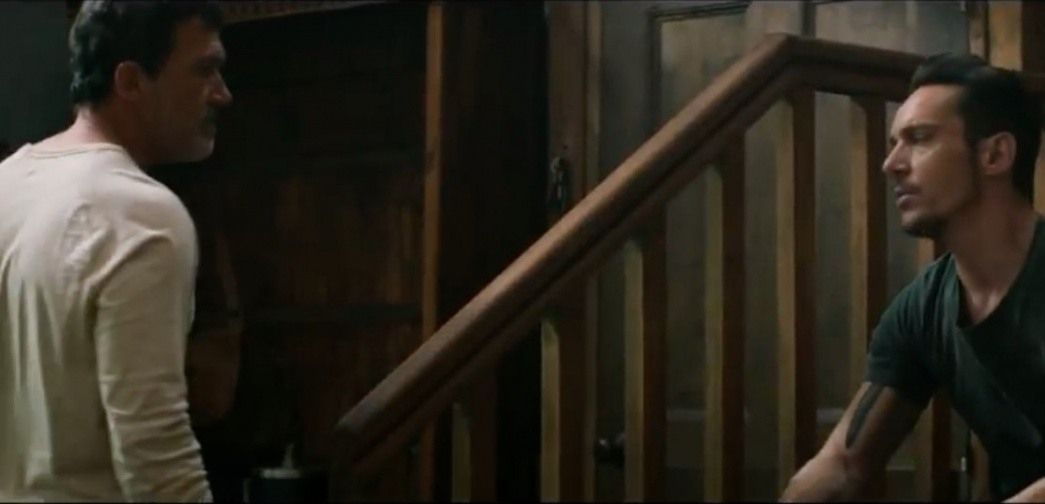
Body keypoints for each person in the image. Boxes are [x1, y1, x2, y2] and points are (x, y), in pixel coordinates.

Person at [780, 53, 1045, 501]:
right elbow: (843, 463)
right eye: (893, 143)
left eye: (919, 139)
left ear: (995, 154)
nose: (891, 164)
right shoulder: (925, 305)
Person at [0, 1, 232, 500]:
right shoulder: (140, 213)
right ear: (130, 82)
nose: (222, 94)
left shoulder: (6, 185)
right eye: (204, 70)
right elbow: (157, 460)